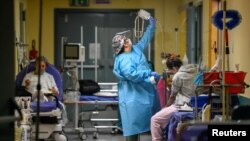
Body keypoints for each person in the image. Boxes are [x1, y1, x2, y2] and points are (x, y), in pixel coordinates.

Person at [112, 15, 161, 141]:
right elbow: (132, 75)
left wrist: (152, 26)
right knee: (132, 128)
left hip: (143, 91)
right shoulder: (124, 59)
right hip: (132, 96)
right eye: (126, 41)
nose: (128, 40)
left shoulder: (136, 49)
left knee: (140, 126)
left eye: (127, 39)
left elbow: (145, 39)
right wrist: (148, 74)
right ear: (124, 46)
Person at [151, 54, 197, 141]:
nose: (171, 72)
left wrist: (166, 107)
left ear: (174, 68)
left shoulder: (178, 76)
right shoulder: (193, 72)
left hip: (182, 105)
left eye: (171, 70)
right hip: (196, 104)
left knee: (154, 119)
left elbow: (172, 96)